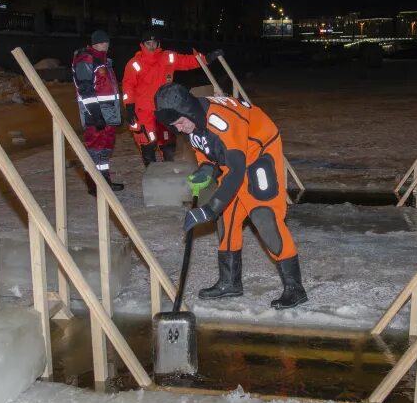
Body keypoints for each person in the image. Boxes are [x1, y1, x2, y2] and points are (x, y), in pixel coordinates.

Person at [153, 83, 308, 309]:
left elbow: (236, 171)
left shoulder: (221, 121)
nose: (181, 129)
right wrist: (206, 167)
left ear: (189, 111)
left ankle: (295, 289)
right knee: (228, 217)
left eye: (181, 122)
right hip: (234, 155)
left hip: (258, 152)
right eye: (175, 126)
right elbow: (207, 149)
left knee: (264, 216)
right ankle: (229, 282)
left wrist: (209, 208)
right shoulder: (192, 122)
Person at [122, 29, 223, 167]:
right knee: (147, 142)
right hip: (144, 110)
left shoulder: (167, 57)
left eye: (154, 43)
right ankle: (152, 173)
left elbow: (186, 61)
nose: (151, 46)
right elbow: (128, 86)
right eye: (148, 43)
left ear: (158, 44)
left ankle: (167, 170)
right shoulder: (134, 64)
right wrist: (129, 105)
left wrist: (205, 59)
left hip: (165, 108)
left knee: (167, 142)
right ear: (142, 44)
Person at [71, 30, 124, 194]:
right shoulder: (86, 59)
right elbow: (86, 90)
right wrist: (96, 115)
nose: (105, 45)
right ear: (94, 44)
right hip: (95, 115)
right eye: (102, 42)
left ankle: (104, 182)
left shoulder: (103, 61)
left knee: (105, 149)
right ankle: (94, 185)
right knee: (95, 150)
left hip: (107, 115)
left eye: (107, 42)